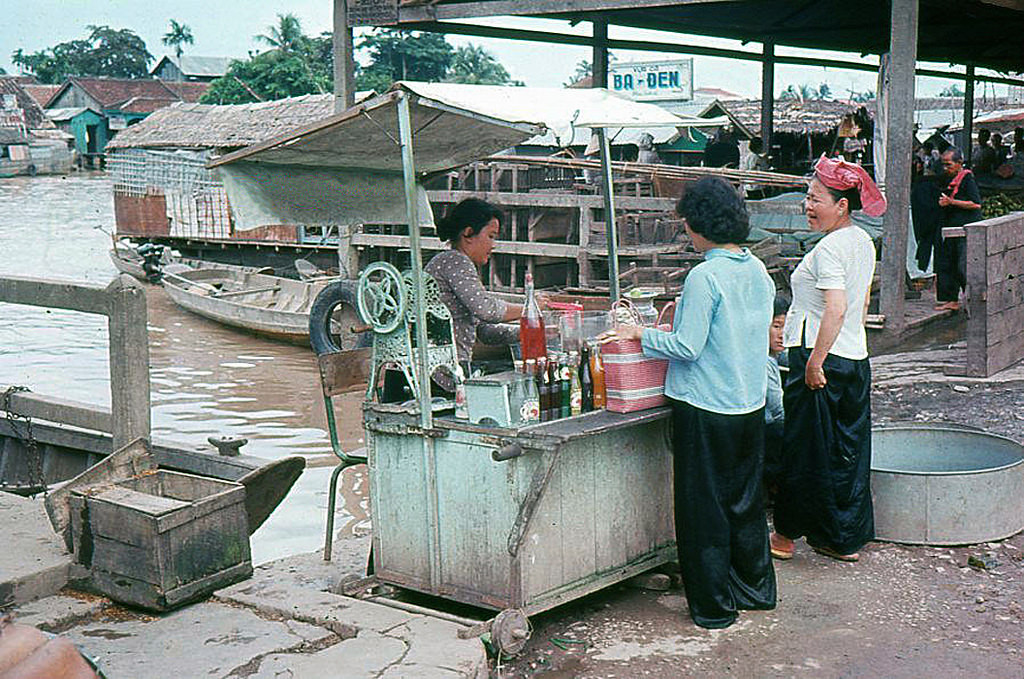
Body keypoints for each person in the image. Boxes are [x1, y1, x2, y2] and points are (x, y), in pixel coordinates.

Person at [602, 176, 776, 629]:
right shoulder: (756, 269)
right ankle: (754, 588)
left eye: (686, 226)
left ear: (699, 226)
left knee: (704, 512)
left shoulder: (705, 276)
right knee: (744, 502)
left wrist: (639, 333)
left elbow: (687, 346)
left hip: (705, 407)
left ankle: (715, 606)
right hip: (747, 403)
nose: (686, 233)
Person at [770, 154, 886, 564]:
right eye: (807, 196)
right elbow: (860, 301)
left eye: (816, 198)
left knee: (803, 449)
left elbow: (835, 307)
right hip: (854, 357)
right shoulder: (862, 242)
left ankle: (784, 536)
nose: (808, 205)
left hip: (821, 357)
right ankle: (839, 538)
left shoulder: (829, 251)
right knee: (845, 450)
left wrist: (815, 362)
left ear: (842, 206)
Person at [425, 198, 533, 366]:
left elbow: (484, 331)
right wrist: (531, 308)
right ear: (468, 233)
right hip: (444, 369)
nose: (493, 245)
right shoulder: (455, 261)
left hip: (451, 365)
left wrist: (529, 331)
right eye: (491, 236)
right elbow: (486, 310)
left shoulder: (454, 264)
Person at [934, 147, 982, 312]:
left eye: (949, 165)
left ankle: (974, 297)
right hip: (950, 228)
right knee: (948, 264)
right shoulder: (948, 179)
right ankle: (951, 299)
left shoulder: (968, 179)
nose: (945, 168)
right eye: (944, 165)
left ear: (959, 163)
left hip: (965, 229)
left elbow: (975, 204)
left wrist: (951, 202)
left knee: (963, 266)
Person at [764, 294, 789, 501]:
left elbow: (789, 355)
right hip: (765, 430)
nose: (783, 334)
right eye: (777, 326)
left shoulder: (773, 356)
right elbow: (779, 410)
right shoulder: (763, 362)